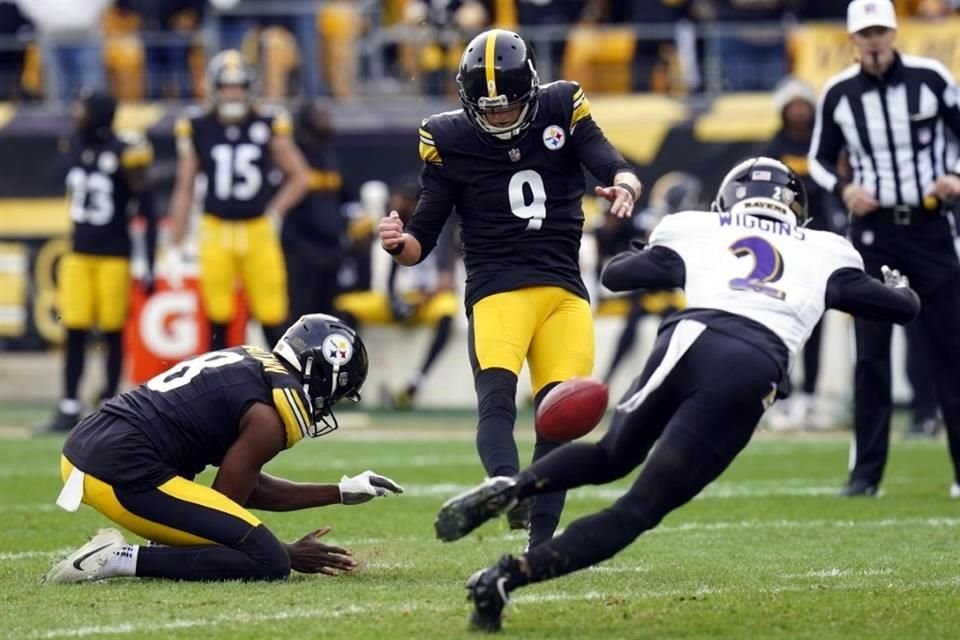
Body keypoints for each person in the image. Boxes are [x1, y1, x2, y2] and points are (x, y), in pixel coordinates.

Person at [433, 157, 920, 632]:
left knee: (610, 454)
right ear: (797, 210)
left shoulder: (700, 229)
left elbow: (618, 275)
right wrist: (900, 286)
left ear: (728, 199)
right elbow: (898, 309)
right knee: (637, 510)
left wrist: (655, 254)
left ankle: (512, 486)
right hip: (752, 361)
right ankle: (505, 577)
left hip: (687, 339)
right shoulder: (825, 248)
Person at [379, 28, 642, 548]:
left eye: (509, 106)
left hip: (564, 290)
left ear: (532, 90)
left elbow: (609, 159)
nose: (499, 116)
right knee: (496, 400)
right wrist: (397, 243)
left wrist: (625, 185)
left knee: (559, 418)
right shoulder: (447, 137)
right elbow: (422, 239)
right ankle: (503, 487)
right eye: (488, 107)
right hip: (498, 289)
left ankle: (539, 543)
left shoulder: (562, 105)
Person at [42, 313, 404, 584]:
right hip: (121, 468)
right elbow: (229, 501)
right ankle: (118, 558)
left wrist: (341, 492)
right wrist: (286, 552)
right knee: (270, 563)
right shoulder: (268, 417)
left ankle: (157, 550)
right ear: (323, 373)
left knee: (250, 545)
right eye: (338, 394)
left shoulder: (250, 364)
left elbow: (248, 483)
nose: (331, 405)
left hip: (89, 447)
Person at [808, 0, 960, 497]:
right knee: (870, 355)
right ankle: (865, 477)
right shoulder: (839, 93)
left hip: (932, 227)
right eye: (865, 32)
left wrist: (955, 177)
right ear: (853, 39)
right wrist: (845, 189)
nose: (874, 40)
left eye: (881, 30)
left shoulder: (932, 78)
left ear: (894, 33)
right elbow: (819, 159)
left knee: (950, 350)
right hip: (874, 235)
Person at [167, 49, 309, 351]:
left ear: (250, 88)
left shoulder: (269, 121)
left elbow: (300, 176)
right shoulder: (197, 125)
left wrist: (275, 212)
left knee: (272, 313)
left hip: (257, 228)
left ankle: (284, 384)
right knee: (217, 315)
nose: (233, 94)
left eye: (239, 86)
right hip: (215, 228)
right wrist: (174, 241)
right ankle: (215, 388)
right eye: (226, 87)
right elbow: (185, 186)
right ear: (214, 89)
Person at [41, 90, 158, 433]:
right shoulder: (75, 144)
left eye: (83, 107)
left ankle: (109, 401)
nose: (76, 112)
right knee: (74, 329)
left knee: (111, 331)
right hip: (79, 253)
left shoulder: (126, 150)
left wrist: (148, 260)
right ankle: (69, 403)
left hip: (114, 256)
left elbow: (147, 208)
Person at [337, 176, 459, 410]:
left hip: (426, 298)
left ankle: (416, 381)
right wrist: (395, 301)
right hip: (398, 297)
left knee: (447, 310)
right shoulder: (394, 225)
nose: (408, 206)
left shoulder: (438, 227)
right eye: (405, 199)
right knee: (346, 306)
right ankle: (346, 376)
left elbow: (445, 279)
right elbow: (390, 272)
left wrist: (420, 301)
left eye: (414, 201)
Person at [595, 171, 694, 384]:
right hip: (648, 290)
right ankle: (608, 378)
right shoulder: (650, 220)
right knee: (631, 328)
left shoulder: (681, 222)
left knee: (679, 328)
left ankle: (672, 382)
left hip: (670, 292)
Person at [283, 102, 346, 321]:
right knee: (300, 311)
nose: (326, 119)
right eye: (319, 115)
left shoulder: (329, 154)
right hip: (302, 249)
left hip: (330, 248)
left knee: (327, 313)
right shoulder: (293, 155)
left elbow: (345, 195)